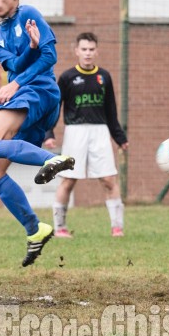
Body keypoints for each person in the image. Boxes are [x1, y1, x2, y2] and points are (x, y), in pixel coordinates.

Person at [0, 0, 75, 267]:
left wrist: (16, 82)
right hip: (33, 100)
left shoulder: (29, 14)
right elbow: (17, 65)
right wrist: (31, 48)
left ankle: (50, 159)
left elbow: (51, 58)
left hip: (40, 91)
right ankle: (36, 230)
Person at [43, 32, 129, 238]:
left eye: (91, 49)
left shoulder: (104, 77)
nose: (88, 53)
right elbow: (55, 107)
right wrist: (49, 132)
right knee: (68, 181)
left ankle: (117, 227)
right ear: (77, 51)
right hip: (75, 133)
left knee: (108, 179)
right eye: (84, 49)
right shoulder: (67, 77)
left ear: (96, 51)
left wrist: (120, 138)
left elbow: (111, 111)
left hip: (100, 132)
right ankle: (60, 228)